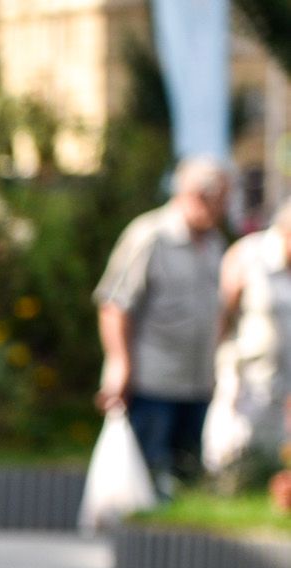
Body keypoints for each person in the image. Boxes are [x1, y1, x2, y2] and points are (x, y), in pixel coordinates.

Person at [96, 157, 228, 496]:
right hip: (153, 384)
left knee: (186, 482)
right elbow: (115, 303)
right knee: (145, 482)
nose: (223, 207)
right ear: (196, 194)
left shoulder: (214, 243)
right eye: (218, 198)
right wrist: (119, 363)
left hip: (198, 384)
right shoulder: (150, 235)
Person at [208, 198, 291, 483]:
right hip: (246, 373)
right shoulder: (247, 255)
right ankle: (225, 487)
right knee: (234, 442)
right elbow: (221, 314)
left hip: (284, 378)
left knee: (274, 448)